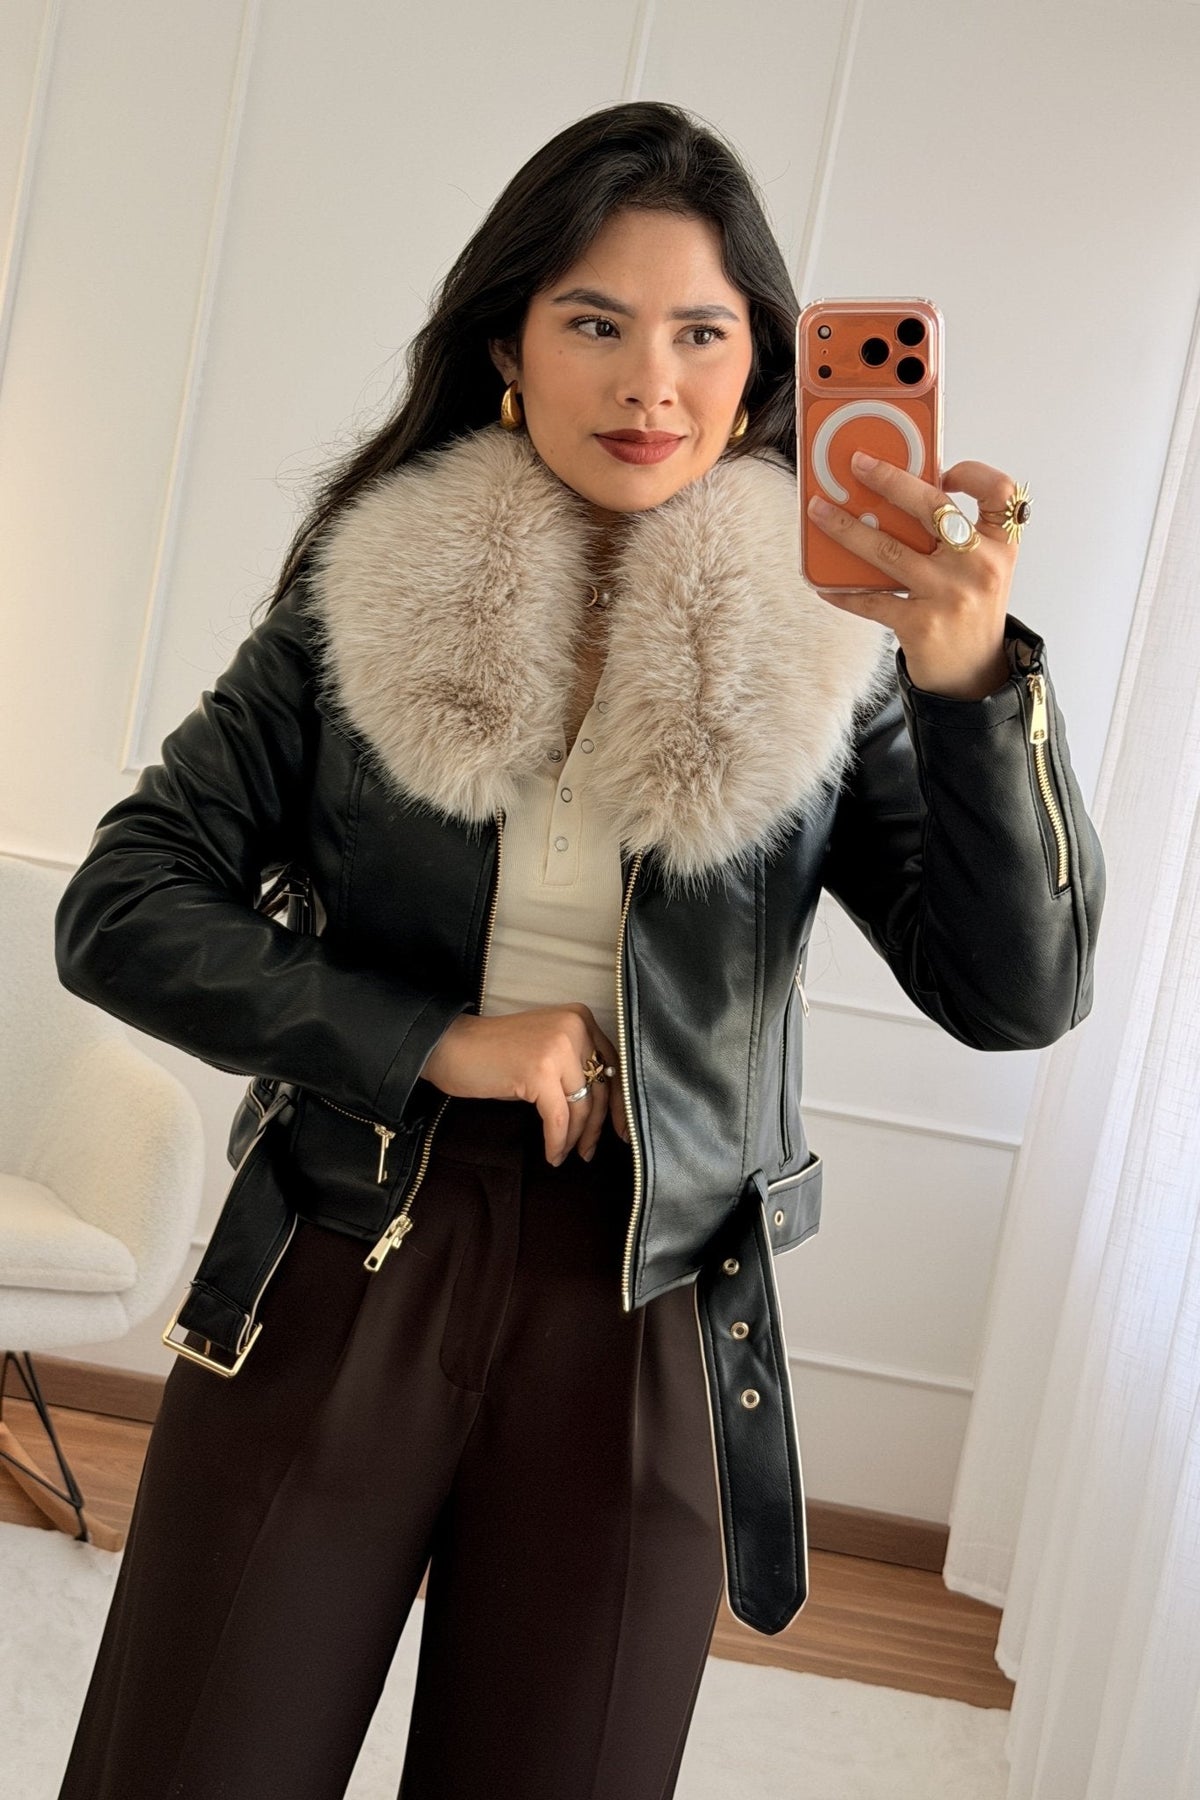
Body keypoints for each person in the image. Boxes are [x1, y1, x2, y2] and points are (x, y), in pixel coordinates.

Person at [51, 99, 1103, 1800]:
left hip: (656, 1293)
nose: (649, 384)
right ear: (507, 348)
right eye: (595, 324)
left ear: (760, 373)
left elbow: (1015, 994)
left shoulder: (830, 651)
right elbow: (123, 904)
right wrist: (432, 1039)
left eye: (701, 334)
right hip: (350, 1240)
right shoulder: (366, 596)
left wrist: (972, 687)